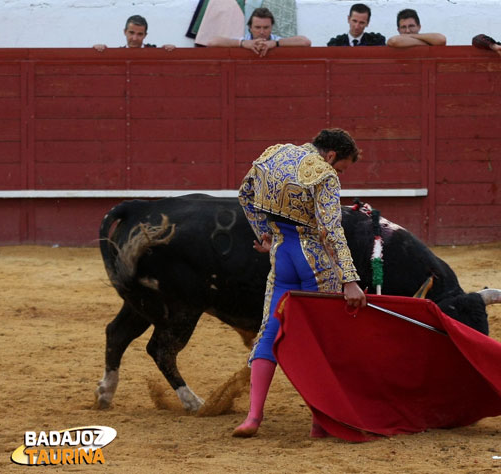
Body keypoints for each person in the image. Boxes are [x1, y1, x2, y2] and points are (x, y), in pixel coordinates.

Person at [234, 128, 367, 438]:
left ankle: (253, 417)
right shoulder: (323, 173)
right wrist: (349, 279)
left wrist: (264, 233)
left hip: (281, 255)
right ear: (331, 155)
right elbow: (331, 231)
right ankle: (320, 421)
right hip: (314, 260)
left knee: (269, 330)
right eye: (341, 168)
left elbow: (245, 194)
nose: (339, 174)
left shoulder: (274, 153)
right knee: (320, 338)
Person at [207, 7, 311, 57]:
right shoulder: (243, 41)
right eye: (257, 27)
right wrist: (242, 44)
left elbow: (306, 42)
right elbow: (211, 42)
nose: (261, 32)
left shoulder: (277, 40)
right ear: (250, 28)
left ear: (271, 28)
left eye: (266, 27)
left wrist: (276, 43)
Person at [93, 15, 176, 51]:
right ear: (125, 32)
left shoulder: (155, 53)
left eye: (139, 34)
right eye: (131, 33)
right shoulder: (116, 54)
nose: (134, 38)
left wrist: (167, 50)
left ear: (145, 35)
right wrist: (97, 52)